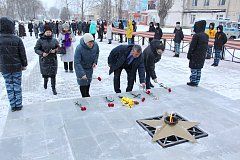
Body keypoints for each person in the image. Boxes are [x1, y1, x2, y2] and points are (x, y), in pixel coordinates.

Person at [0, 17, 28, 112]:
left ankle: (13, 105)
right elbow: (22, 53)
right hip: (16, 67)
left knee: (9, 86)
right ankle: (18, 105)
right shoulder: (17, 39)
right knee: (17, 85)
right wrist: (24, 64)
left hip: (4, 68)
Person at [34, 26, 59, 95]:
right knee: (45, 74)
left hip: (53, 60)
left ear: (51, 32)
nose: (48, 33)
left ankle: (53, 88)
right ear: (44, 32)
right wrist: (42, 53)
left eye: (49, 32)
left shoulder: (54, 40)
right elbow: (36, 49)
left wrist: (55, 50)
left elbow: (59, 48)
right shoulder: (40, 40)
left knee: (53, 75)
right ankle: (45, 82)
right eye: (47, 32)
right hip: (44, 60)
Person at [74, 33, 99, 97]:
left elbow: (97, 53)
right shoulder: (79, 48)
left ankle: (87, 94)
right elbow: (77, 62)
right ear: (85, 42)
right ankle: (84, 96)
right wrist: (81, 73)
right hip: (81, 67)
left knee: (88, 81)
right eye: (89, 43)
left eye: (92, 43)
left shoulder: (95, 45)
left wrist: (95, 62)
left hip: (89, 67)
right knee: (82, 83)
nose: (91, 45)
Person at [187, 20, 209, 87]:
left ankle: (193, 81)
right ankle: (197, 81)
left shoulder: (196, 36)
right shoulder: (206, 35)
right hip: (202, 55)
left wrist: (189, 54)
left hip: (195, 55)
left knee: (194, 68)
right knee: (199, 68)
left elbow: (192, 46)